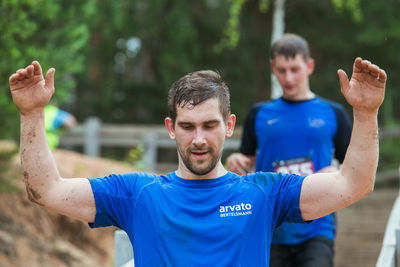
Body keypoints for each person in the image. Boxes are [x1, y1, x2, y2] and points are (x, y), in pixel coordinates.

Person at [9, 58, 385, 266]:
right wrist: (31, 114)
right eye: (188, 127)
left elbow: (354, 184)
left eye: (210, 125)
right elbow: (47, 190)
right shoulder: (136, 193)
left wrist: (366, 113)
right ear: (171, 128)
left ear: (230, 125)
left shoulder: (266, 192)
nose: (199, 139)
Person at [226, 33, 352, 266]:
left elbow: (354, 168)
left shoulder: (333, 113)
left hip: (318, 226)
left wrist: (335, 169)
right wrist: (234, 160)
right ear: (273, 68)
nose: (289, 77)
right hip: (269, 227)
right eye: (282, 70)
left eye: (295, 69)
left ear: (310, 66)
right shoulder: (259, 114)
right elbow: (246, 160)